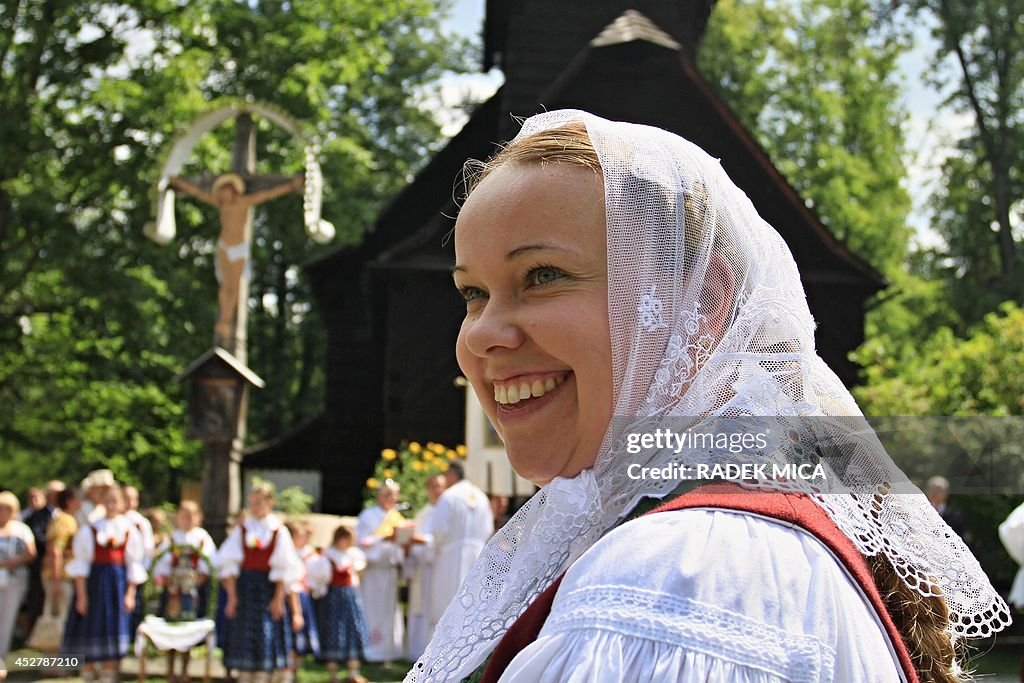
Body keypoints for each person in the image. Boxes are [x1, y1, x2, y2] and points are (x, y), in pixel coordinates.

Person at [405, 111, 1010, 682]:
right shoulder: (727, 539)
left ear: (703, 302)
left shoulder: (678, 578)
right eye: (473, 293)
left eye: (542, 275)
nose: (483, 333)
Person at [169, 172, 304, 341]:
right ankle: (223, 320)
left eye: (225, 190)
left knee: (234, 286)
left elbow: (268, 194)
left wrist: (291, 185)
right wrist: (178, 183)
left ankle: (225, 321)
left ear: (233, 190)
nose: (222, 194)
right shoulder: (220, 203)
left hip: (239, 249)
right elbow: (198, 193)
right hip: (224, 247)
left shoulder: (243, 202)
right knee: (225, 285)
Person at [214, 484, 299, 683]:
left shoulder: (278, 530)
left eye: (259, 502)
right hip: (245, 589)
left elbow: (283, 569)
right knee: (243, 636)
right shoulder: (243, 529)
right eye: (251, 502)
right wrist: (232, 597)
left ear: (270, 502)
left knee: (265, 634)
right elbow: (229, 564)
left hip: (267, 590)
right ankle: (244, 677)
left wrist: (278, 598)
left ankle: (263, 677)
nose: (254, 506)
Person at [63, 484, 147, 683]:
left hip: (117, 585)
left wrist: (130, 593)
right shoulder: (90, 529)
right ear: (101, 502)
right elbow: (81, 565)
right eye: (107, 500)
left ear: (121, 504)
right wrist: (82, 595)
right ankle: (88, 669)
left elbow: (133, 565)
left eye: (115, 501)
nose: (111, 505)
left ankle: (109, 672)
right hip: (95, 584)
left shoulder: (129, 530)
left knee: (113, 625)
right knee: (89, 625)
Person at [422, 463, 492, 634]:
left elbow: (438, 531)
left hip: (449, 556)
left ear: (452, 475)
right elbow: (488, 529)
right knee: (471, 602)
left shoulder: (449, 496)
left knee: (447, 600)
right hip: (476, 556)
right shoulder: (481, 497)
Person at [308, 525, 369, 683]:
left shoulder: (353, 555)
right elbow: (319, 580)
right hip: (332, 599)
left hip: (349, 598)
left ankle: (353, 672)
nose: (349, 543)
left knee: (353, 630)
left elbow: (358, 575)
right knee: (333, 632)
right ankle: (333, 674)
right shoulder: (327, 557)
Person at [355, 481, 404, 665]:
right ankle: (370, 650)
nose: (392, 499)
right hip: (373, 572)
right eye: (388, 495)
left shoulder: (396, 517)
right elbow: (362, 541)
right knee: (371, 609)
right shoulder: (368, 516)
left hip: (390, 571)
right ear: (380, 496)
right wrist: (384, 539)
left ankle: (389, 651)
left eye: (394, 495)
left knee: (388, 611)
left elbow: (400, 545)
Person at [31, 487, 81, 653]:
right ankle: (54, 665)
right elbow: (55, 551)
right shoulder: (63, 521)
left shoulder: (69, 519)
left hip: (63, 576)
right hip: (59, 576)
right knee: (57, 619)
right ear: (69, 501)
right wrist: (56, 580)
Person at [403, 474, 446, 660]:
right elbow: (416, 544)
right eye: (434, 486)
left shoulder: (448, 510)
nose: (438, 490)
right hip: (425, 571)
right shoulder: (424, 514)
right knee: (422, 609)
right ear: (428, 489)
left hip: (443, 567)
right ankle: (418, 651)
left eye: (441, 486)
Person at [0, 491, 37, 660]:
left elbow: (31, 552)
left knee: (7, 619)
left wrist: (14, 561)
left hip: (14, 579)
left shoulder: (21, 529)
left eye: (6, 508)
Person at [285, 521, 319, 682]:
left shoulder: (307, 554)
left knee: (299, 637)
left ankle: (294, 672)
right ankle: (288, 673)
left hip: (302, 597)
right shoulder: (286, 555)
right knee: (290, 636)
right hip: (289, 598)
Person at [122, 485, 155, 634]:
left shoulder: (141, 523)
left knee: (136, 605)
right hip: (119, 568)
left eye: (133, 499)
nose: (130, 502)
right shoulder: (115, 520)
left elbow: (148, 550)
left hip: (136, 569)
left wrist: (143, 571)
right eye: (126, 498)